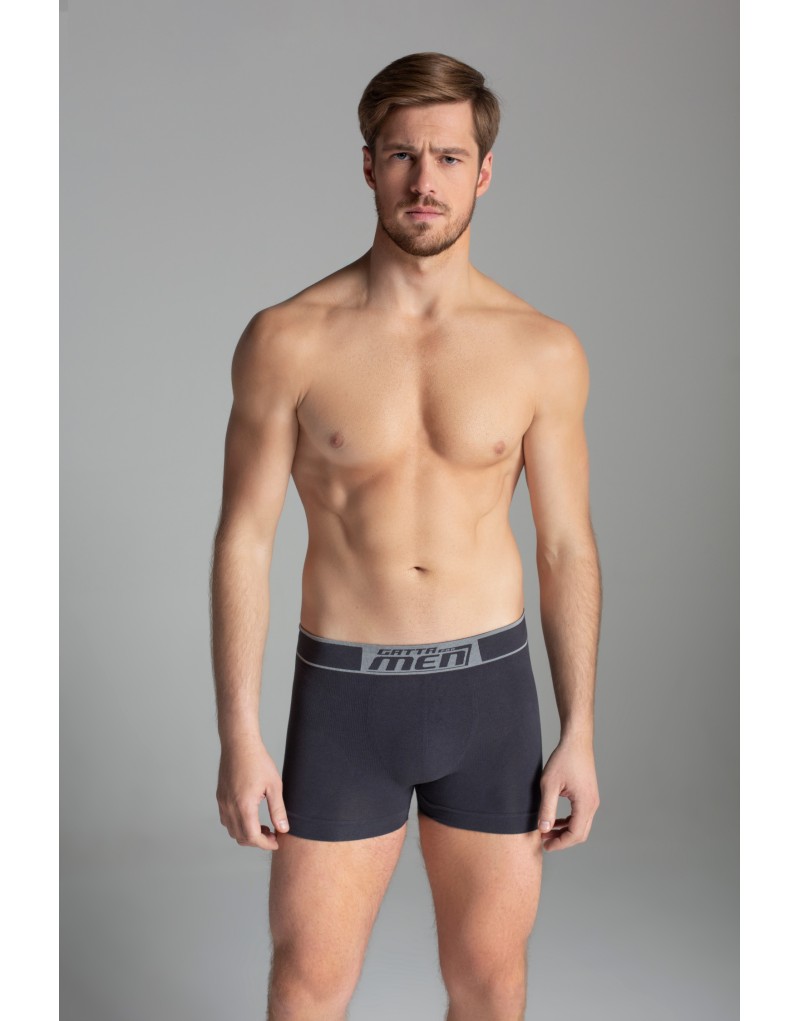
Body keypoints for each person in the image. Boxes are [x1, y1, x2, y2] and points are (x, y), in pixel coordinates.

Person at [210, 51, 601, 1021]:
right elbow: (243, 541)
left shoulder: (541, 349)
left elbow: (565, 548)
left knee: (489, 982)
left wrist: (580, 730)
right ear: (368, 165)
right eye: (401, 155)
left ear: (484, 171)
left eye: (448, 156)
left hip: (489, 699)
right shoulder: (287, 338)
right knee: (307, 983)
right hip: (346, 700)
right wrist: (239, 734)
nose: (424, 180)